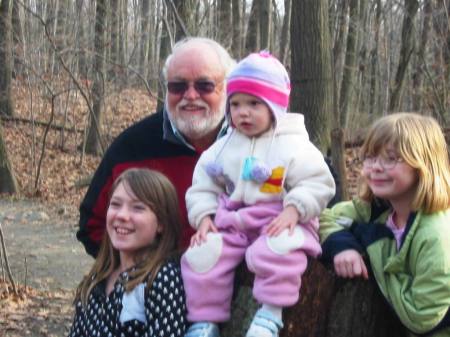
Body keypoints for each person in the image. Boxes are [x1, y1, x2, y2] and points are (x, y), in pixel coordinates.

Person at [180, 51, 336, 337]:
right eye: (236, 104)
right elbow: (203, 184)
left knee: (280, 250)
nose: (244, 112)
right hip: (235, 221)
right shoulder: (224, 146)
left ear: (275, 106)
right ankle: (204, 321)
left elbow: (318, 182)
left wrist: (295, 209)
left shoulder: (294, 145)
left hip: (281, 219)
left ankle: (270, 315)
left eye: (254, 103)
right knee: (203, 253)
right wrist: (204, 217)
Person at [77, 37, 236, 257]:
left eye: (204, 85)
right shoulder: (133, 147)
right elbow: (92, 227)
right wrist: (145, 274)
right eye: (178, 86)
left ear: (228, 87)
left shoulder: (254, 144)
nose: (190, 95)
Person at [320, 113, 450, 337]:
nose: (375, 167)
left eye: (391, 158)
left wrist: (375, 245)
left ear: (423, 165)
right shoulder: (378, 208)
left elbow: (422, 317)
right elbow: (324, 217)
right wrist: (344, 247)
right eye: (370, 157)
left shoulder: (436, 235)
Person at [68, 168, 187, 337]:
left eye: (137, 208)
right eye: (115, 204)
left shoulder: (162, 279)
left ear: (161, 222)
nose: (122, 215)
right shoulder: (96, 280)